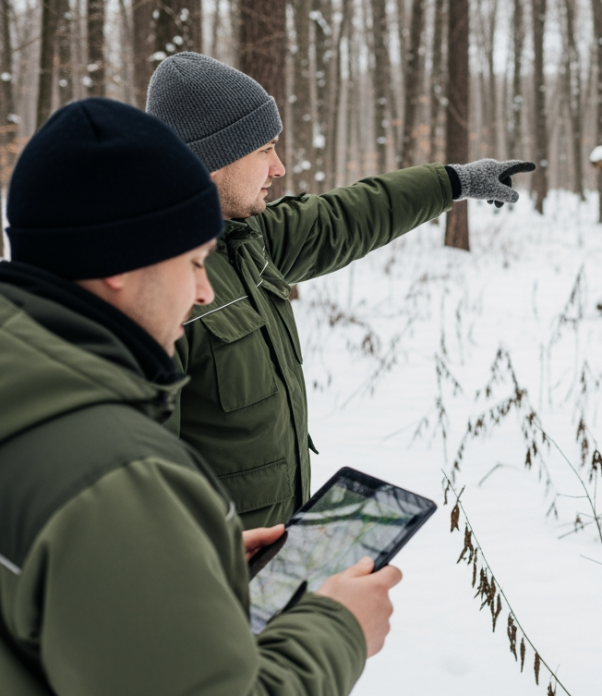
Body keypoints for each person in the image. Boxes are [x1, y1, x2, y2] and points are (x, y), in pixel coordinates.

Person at [0, 99, 401, 695]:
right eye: (191, 262)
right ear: (121, 264)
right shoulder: (121, 478)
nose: (203, 289)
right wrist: (338, 629)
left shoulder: (27, 400)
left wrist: (176, 566)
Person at [145, 52, 535, 528]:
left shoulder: (247, 240)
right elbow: (144, 493)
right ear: (212, 160)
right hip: (215, 577)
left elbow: (346, 216)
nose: (279, 168)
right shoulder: (154, 290)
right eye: (265, 150)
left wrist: (453, 181)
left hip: (271, 553)